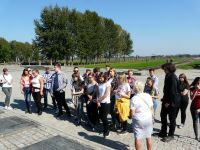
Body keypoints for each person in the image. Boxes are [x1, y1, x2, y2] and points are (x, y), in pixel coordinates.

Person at [157, 63, 180, 142]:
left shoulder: (173, 77)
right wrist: (164, 99)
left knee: (172, 119)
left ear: (169, 69)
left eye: (164, 69)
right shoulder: (168, 76)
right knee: (163, 116)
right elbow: (167, 91)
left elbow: (173, 92)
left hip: (172, 102)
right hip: (166, 100)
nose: (164, 70)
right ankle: (163, 132)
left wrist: (169, 102)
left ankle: (171, 135)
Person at [130, 81, 153, 150]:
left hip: (138, 119)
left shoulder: (134, 98)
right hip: (148, 118)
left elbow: (132, 114)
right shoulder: (148, 95)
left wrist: (136, 112)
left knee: (138, 137)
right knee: (148, 137)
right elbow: (151, 108)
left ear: (135, 88)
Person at [97, 72, 111, 137]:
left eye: (102, 78)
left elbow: (106, 94)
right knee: (101, 116)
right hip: (100, 102)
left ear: (104, 77)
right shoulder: (99, 84)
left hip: (106, 102)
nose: (100, 79)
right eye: (99, 78)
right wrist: (98, 101)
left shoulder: (107, 84)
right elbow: (98, 93)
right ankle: (105, 128)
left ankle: (107, 130)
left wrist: (99, 100)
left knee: (104, 117)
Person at [190, 77, 200, 141]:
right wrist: (196, 90)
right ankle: (197, 136)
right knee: (195, 122)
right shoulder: (192, 88)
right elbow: (191, 98)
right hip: (194, 107)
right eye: (198, 82)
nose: (199, 83)